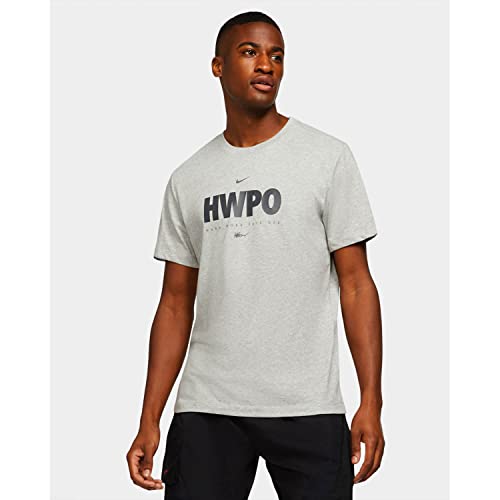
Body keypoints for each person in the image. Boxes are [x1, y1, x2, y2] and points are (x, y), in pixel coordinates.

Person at [126, 10, 385, 500]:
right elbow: (175, 303)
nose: (266, 64)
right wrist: (149, 417)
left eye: (276, 55)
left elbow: (356, 284)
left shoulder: (327, 157)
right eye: (250, 52)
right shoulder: (188, 178)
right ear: (218, 66)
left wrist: (371, 399)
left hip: (307, 403)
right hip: (207, 407)